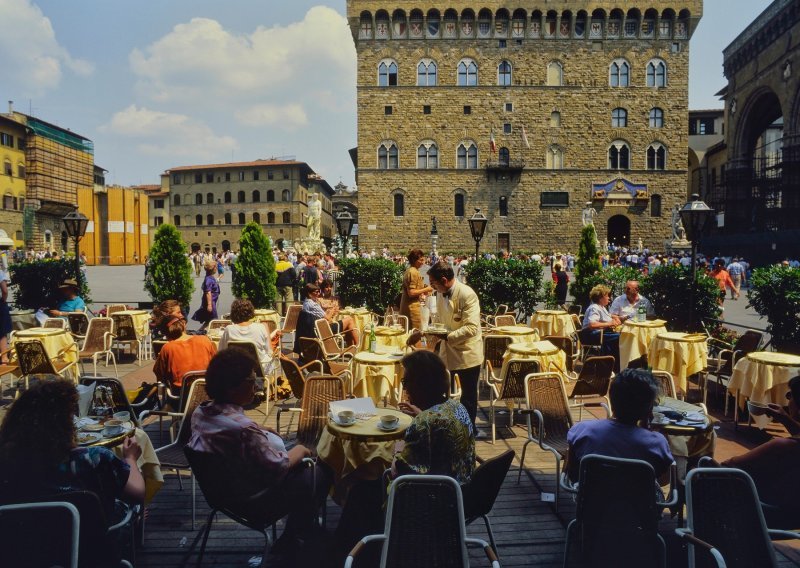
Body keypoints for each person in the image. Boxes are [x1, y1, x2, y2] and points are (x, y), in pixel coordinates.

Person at [188, 349, 330, 552]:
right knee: (320, 472)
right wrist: (302, 449)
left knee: (306, 474)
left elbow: (230, 429)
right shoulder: (244, 431)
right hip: (253, 502)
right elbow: (279, 466)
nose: (256, 386)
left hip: (220, 495)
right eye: (251, 381)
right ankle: (292, 539)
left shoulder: (201, 412)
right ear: (231, 388)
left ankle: (302, 529)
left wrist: (259, 428)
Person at [0, 378, 145, 518]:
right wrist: (130, 458)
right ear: (64, 425)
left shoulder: (7, 460)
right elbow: (138, 493)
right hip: (90, 537)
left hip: (25, 538)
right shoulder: (93, 459)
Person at [408, 260, 483, 432]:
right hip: (447, 352)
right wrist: (422, 333)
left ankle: (468, 432)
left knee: (468, 397)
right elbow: (439, 322)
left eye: (433, 283)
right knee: (442, 393)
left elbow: (471, 328)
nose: (431, 287)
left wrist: (446, 336)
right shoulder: (440, 294)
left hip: (467, 353)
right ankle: (446, 429)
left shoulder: (467, 294)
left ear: (443, 280)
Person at [566, 368, 674, 483]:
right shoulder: (657, 443)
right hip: (638, 500)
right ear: (649, 409)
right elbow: (664, 480)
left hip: (592, 499)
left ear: (612, 400)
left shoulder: (581, 431)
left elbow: (571, 474)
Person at [717, 375, 800, 519]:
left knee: (698, 476)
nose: (788, 400)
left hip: (765, 510)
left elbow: (731, 465)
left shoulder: (783, 446)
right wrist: (785, 419)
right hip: (793, 513)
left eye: (790, 395)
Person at [393, 350, 475, 483]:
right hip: (461, 487)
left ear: (419, 385)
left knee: (360, 487)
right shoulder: (457, 407)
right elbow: (440, 429)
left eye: (405, 381)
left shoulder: (423, 423)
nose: (405, 388)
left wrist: (397, 451)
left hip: (434, 497)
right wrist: (422, 413)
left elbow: (398, 472)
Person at [153, 300, 217, 395]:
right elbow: (217, 366)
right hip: (207, 393)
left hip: (180, 396)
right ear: (183, 324)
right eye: (179, 313)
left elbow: (160, 376)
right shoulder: (205, 340)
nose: (182, 315)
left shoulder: (168, 348)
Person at [219, 299, 280, 388]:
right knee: (272, 358)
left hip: (236, 369)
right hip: (259, 369)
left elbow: (221, 351)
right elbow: (269, 352)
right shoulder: (260, 328)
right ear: (251, 312)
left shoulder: (229, 329)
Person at [582, 284, 621, 372]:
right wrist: (610, 323)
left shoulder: (601, 307)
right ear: (600, 297)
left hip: (600, 333)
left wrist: (614, 317)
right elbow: (592, 324)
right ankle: (611, 366)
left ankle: (610, 365)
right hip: (590, 335)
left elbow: (605, 317)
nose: (609, 298)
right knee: (620, 337)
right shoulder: (594, 308)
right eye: (607, 296)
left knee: (616, 338)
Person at [399, 249, 434, 331]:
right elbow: (411, 292)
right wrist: (427, 288)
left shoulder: (412, 271)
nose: (423, 262)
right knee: (416, 333)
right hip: (412, 309)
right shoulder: (413, 272)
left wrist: (423, 289)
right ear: (414, 260)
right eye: (421, 260)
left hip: (410, 306)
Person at [319, 279, 359, 347]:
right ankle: (357, 346)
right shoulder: (319, 300)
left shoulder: (335, 299)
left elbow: (340, 311)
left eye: (330, 287)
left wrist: (338, 310)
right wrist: (331, 311)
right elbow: (322, 316)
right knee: (350, 321)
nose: (329, 289)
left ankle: (351, 349)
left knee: (349, 327)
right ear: (323, 288)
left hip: (337, 321)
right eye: (326, 287)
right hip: (328, 325)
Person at [191, 259, 220, 329]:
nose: (216, 269)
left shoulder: (210, 277)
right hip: (210, 302)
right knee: (213, 319)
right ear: (213, 269)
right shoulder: (209, 279)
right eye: (215, 267)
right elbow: (208, 292)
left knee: (209, 320)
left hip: (212, 301)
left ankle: (201, 331)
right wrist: (209, 305)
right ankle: (203, 333)